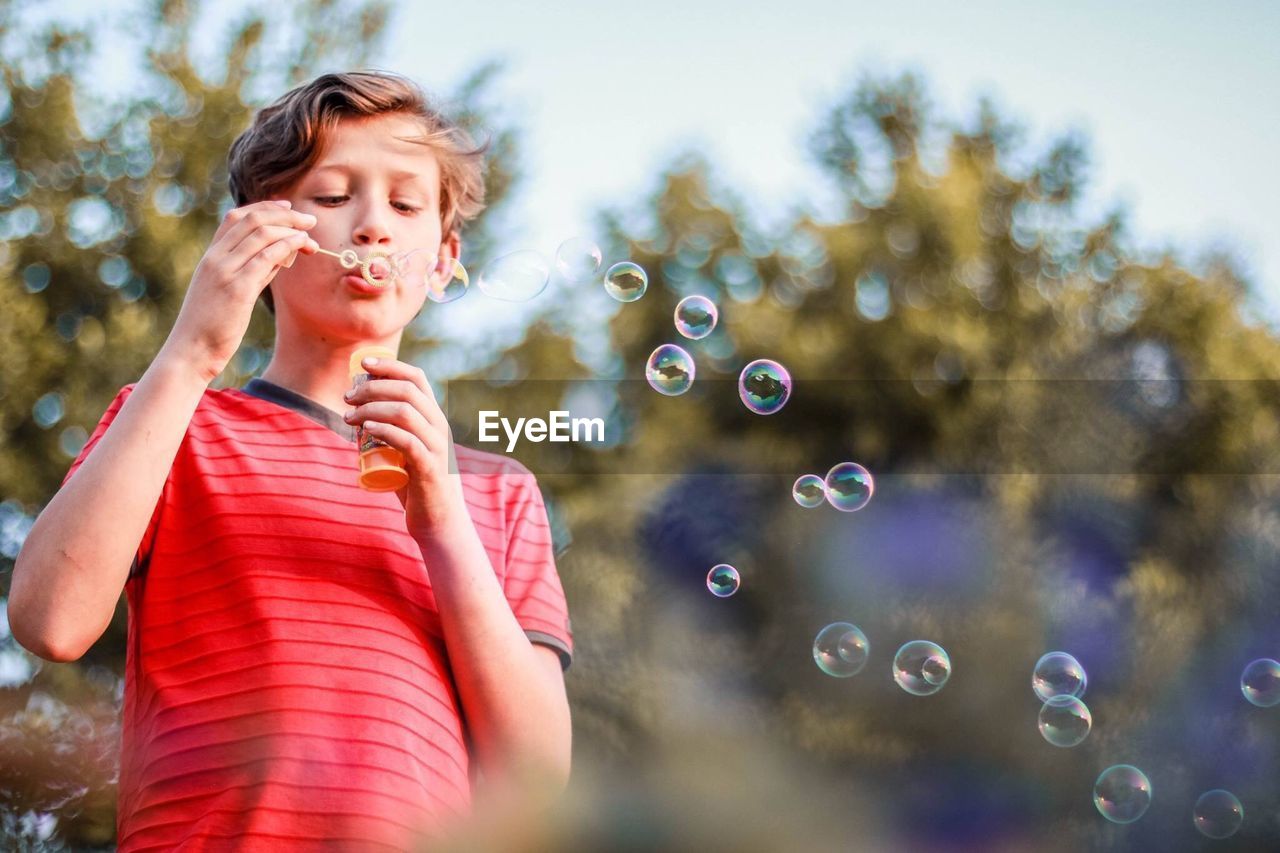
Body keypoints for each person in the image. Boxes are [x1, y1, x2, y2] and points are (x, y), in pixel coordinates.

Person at [9, 71, 574, 851]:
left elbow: (537, 774)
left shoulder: (496, 492)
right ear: (262, 236)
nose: (373, 225)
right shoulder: (176, 422)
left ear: (443, 260)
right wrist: (192, 352)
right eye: (333, 196)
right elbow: (49, 621)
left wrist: (441, 516)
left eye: (405, 204)